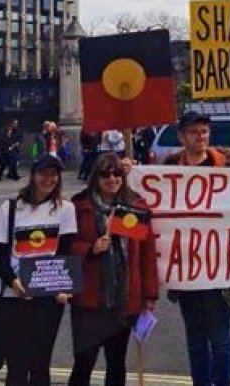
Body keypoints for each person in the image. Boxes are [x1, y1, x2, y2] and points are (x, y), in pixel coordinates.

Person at [163, 111, 230, 386]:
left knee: (220, 343)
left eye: (204, 132)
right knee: (196, 342)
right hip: (186, 269)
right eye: (193, 132)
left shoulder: (225, 164)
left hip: (218, 267)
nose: (199, 137)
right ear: (181, 136)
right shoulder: (170, 166)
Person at [68, 153, 158, 386]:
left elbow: (147, 255)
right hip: (89, 300)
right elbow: (65, 247)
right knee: (84, 363)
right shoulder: (79, 205)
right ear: (95, 177)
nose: (112, 179)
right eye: (105, 174)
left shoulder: (135, 206)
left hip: (123, 298)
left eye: (117, 174)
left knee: (116, 363)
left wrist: (149, 295)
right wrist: (90, 249)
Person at [0, 154, 77, 386]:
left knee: (40, 363)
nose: (49, 179)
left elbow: (65, 252)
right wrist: (13, 282)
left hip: (47, 296)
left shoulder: (65, 209)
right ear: (33, 176)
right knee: (16, 365)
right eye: (43, 173)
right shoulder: (10, 208)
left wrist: (61, 285)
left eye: (53, 174)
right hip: (14, 296)